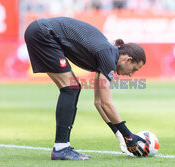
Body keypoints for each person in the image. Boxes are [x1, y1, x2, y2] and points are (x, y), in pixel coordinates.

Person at [24, 17, 146, 160]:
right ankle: (61, 148)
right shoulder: (108, 56)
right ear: (128, 60)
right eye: (134, 69)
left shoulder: (108, 55)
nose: (131, 75)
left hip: (40, 31)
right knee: (71, 88)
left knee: (72, 87)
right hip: (43, 33)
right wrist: (128, 135)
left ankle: (62, 147)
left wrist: (118, 133)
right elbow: (106, 103)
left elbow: (99, 102)